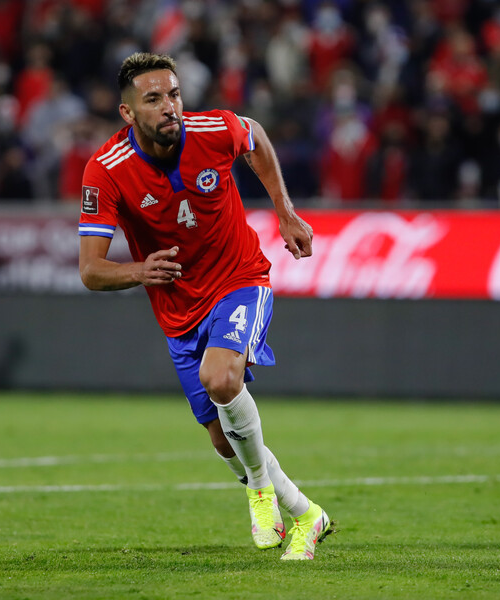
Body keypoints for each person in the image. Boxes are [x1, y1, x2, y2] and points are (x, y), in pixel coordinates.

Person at [79, 53, 332, 560]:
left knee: (221, 378)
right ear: (128, 113)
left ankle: (259, 491)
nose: (169, 107)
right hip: (179, 310)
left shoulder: (213, 130)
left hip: (240, 279)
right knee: (222, 440)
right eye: (153, 99)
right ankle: (307, 514)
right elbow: (91, 269)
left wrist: (284, 211)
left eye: (174, 94)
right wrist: (139, 270)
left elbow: (255, 136)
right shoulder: (106, 170)